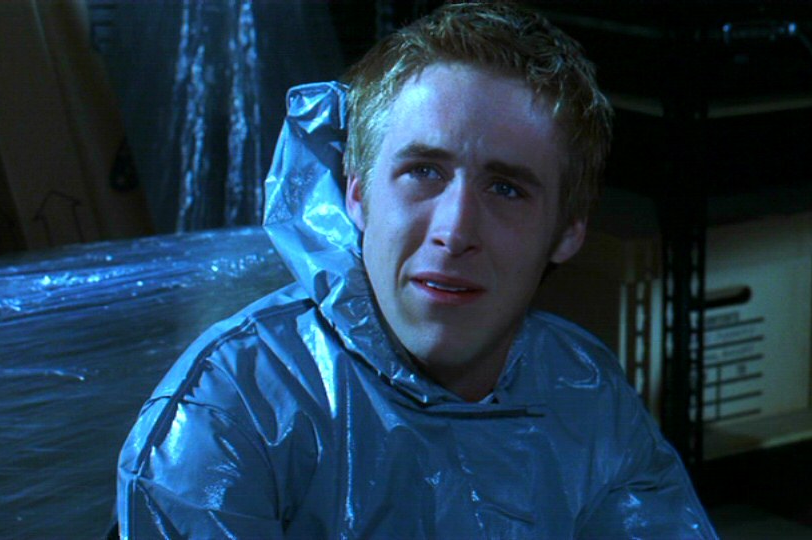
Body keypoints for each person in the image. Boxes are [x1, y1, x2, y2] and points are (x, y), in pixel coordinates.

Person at [117, 3, 717, 538]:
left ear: (567, 232)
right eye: (423, 172)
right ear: (356, 194)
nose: (455, 230)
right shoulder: (227, 415)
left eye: (506, 188)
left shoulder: (584, 390)